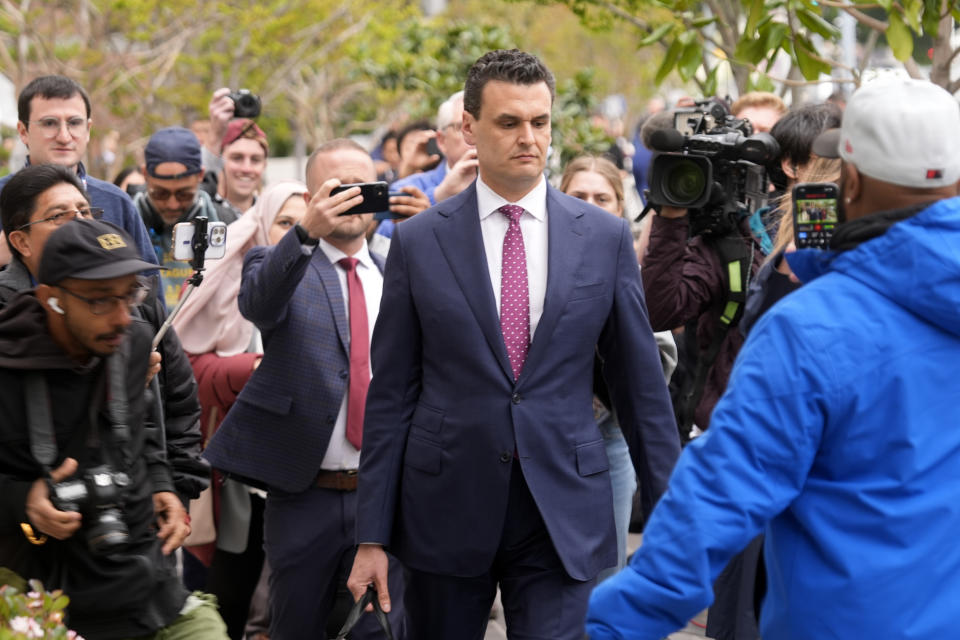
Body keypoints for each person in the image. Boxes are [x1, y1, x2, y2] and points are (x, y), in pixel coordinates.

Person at [586, 77, 960, 639]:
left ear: (849, 180)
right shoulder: (811, 313)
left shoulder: (812, 329)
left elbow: (715, 501)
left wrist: (611, 626)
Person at [347, 49, 679, 640]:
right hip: (444, 508)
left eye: (540, 122)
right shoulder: (420, 241)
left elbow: (640, 388)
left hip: (562, 509)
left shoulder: (602, 237)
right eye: (509, 122)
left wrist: (677, 515)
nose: (529, 137)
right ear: (469, 128)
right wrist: (371, 535)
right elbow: (392, 394)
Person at [202, 139, 407, 640]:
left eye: (363, 185)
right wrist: (305, 233)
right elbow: (259, 304)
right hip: (303, 496)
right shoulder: (280, 262)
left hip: (382, 496)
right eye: (338, 189)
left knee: (379, 629)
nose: (352, 198)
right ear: (314, 196)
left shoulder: (396, 273)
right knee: (297, 626)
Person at [0, 219, 228, 639]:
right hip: (39, 595)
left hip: (145, 584)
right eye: (100, 301)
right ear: (52, 299)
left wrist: (163, 484)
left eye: (131, 294)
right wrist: (22, 499)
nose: (124, 317)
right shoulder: (7, 364)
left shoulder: (135, 340)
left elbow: (144, 429)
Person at [0, 163, 207, 506]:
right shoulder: (9, 324)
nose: (80, 224)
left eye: (84, 211)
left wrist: (170, 486)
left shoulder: (138, 311)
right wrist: (25, 504)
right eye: (59, 216)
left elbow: (178, 403)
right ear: (20, 240)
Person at [171, 181, 310, 640]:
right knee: (230, 586)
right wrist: (247, 368)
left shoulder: (331, 279)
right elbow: (183, 366)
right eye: (285, 223)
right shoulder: (228, 282)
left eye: (303, 223)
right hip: (236, 470)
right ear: (263, 225)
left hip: (310, 471)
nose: (295, 234)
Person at [559, 155, 678, 581]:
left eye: (601, 198)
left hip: (608, 437)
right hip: (542, 436)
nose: (590, 205)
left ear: (619, 207)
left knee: (604, 572)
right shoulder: (534, 261)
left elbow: (658, 360)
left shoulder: (630, 264)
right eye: (579, 196)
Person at [0, 75, 155, 268]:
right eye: (49, 123)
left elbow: (148, 289)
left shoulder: (117, 202)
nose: (64, 137)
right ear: (23, 132)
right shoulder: (3, 197)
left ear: (88, 129)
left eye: (74, 123)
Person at [133, 127, 236, 309]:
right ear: (145, 176)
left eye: (184, 194)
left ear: (201, 175)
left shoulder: (226, 223)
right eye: (160, 194)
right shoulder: (125, 223)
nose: (172, 205)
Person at [373, 91, 479, 252]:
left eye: (484, 125)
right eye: (464, 127)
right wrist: (436, 199)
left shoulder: (517, 184)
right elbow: (382, 249)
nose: (476, 136)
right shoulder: (410, 188)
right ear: (442, 141)